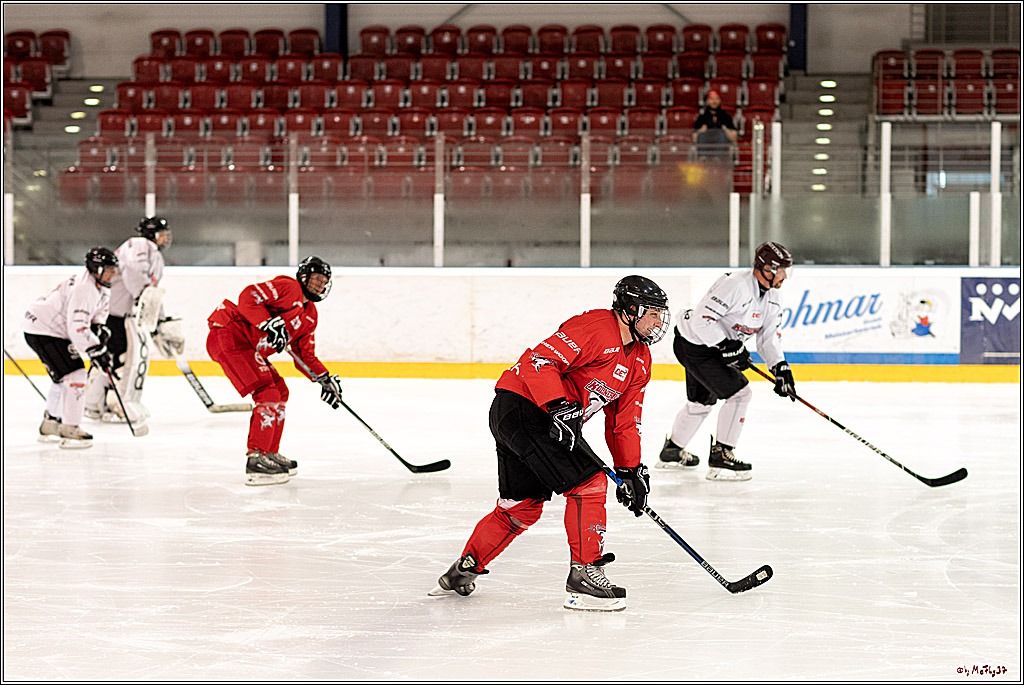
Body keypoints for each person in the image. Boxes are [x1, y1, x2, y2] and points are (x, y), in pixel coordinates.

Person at [429, 276, 671, 612]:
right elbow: (539, 362)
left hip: (533, 416)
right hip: (526, 407)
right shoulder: (596, 326)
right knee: (589, 484)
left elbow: (623, 421)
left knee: (521, 507)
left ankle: (462, 570)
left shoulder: (641, 360)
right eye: (653, 313)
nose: (659, 322)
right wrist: (558, 404)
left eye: (662, 314)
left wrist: (630, 469)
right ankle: (584, 575)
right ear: (630, 309)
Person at [658, 242, 796, 481]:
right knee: (740, 393)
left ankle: (672, 451)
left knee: (701, 402)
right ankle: (722, 456)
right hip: (694, 343)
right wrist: (727, 345)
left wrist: (780, 368)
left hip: (706, 346)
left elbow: (768, 338)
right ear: (765, 269)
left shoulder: (774, 297)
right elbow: (702, 319)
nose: (784, 276)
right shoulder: (735, 285)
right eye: (780, 270)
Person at [206, 256, 343, 486]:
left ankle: (269, 453)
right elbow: (248, 296)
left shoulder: (310, 316)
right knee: (267, 392)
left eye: (324, 282)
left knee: (280, 390)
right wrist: (267, 322)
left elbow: (304, 356)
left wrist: (324, 378)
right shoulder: (289, 288)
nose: (320, 285)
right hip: (230, 335)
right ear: (304, 276)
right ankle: (256, 457)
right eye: (317, 279)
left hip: (247, 346)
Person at [84, 216, 183, 426]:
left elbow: (150, 291)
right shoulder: (139, 245)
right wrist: (150, 310)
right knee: (113, 360)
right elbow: (136, 276)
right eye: (162, 234)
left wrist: (160, 318)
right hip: (109, 315)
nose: (165, 238)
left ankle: (102, 404)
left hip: (120, 315)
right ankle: (102, 404)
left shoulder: (152, 252)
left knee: (121, 359)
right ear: (152, 234)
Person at [22, 247, 120, 449]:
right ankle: (70, 428)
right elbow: (78, 326)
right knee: (76, 375)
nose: (113, 273)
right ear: (96, 269)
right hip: (44, 330)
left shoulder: (101, 285)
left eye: (114, 269)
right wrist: (96, 350)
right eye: (108, 269)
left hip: (46, 328)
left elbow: (98, 314)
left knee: (63, 377)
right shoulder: (85, 289)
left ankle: (50, 423)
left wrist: (99, 330)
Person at [691, 89, 738, 161]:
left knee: (722, 133)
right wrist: (700, 131)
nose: (714, 101)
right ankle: (703, 159)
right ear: (707, 101)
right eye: (711, 99)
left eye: (716, 98)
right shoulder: (702, 118)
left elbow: (734, 138)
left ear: (720, 100)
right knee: (702, 135)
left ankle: (717, 159)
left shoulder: (726, 117)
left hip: (722, 156)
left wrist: (725, 130)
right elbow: (694, 138)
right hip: (705, 152)